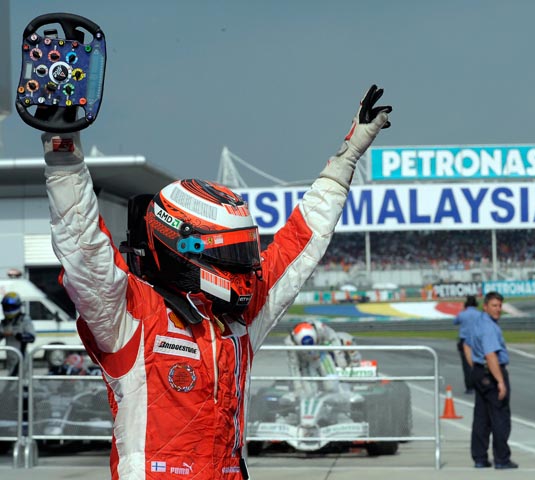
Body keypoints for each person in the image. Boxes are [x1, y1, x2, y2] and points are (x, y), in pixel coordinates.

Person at [38, 85, 391, 479]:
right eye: (232, 254)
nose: (246, 268)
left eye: (245, 251)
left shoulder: (239, 320)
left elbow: (300, 243)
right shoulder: (130, 316)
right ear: (184, 249)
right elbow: (84, 249)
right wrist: (63, 152)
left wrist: (347, 158)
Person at [465, 291, 518, 470]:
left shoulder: (478, 322)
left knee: (481, 417)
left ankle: (479, 457)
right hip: (491, 372)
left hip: (480, 372)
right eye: (494, 306)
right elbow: (490, 355)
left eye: (500, 306)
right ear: (485, 306)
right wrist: (500, 381)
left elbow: (466, 345)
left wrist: (476, 367)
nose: (498, 309)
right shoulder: (489, 327)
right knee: (500, 417)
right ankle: (502, 458)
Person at [285, 320, 351, 395]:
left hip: (322, 356)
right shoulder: (291, 343)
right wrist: (298, 386)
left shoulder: (320, 328)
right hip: (306, 363)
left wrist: (340, 358)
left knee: (332, 386)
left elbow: (334, 339)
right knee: (310, 392)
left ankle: (341, 393)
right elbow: (293, 365)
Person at [1, 292, 36, 376]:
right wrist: (3, 334)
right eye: (6, 307)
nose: (8, 309)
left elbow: (31, 337)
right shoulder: (5, 322)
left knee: (22, 380)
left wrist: (16, 334)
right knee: (11, 380)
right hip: (10, 358)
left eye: (11, 307)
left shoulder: (24, 320)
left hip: (22, 357)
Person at [453, 295, 480, 394]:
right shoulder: (480, 314)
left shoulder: (462, 314)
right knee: (478, 363)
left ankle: (469, 387)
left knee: (466, 365)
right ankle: (478, 385)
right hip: (477, 340)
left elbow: (455, 322)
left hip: (464, 340)